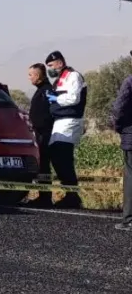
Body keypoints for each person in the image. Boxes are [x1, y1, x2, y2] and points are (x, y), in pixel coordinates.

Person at [44, 50, 86, 208]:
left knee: (63, 157)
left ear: (60, 63)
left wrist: (57, 99)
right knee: (56, 156)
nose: (50, 69)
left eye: (51, 65)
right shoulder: (59, 79)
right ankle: (68, 192)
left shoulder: (73, 76)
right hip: (59, 121)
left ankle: (72, 196)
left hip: (70, 120)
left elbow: (74, 98)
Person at [27, 63, 56, 207]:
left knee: (44, 165)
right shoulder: (41, 90)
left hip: (45, 134)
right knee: (42, 166)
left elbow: (50, 112)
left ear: (37, 76)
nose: (29, 78)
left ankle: (45, 197)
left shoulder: (47, 91)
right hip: (40, 133)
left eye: (30, 75)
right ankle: (43, 195)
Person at [110, 51, 132, 231]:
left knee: (131, 177)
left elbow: (119, 109)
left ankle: (129, 219)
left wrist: (119, 127)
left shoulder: (129, 81)